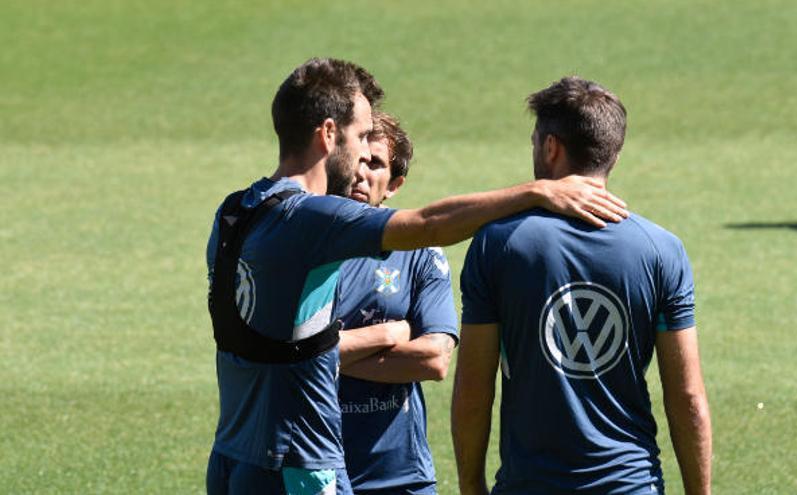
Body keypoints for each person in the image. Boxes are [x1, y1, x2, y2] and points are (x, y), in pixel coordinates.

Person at [205, 59, 629, 495]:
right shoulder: (310, 218)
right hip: (296, 464)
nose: (363, 154)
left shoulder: (235, 211)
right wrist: (538, 190)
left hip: (231, 460)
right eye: (362, 135)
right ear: (328, 134)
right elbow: (427, 225)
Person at [451, 77, 712, 495]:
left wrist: (470, 486)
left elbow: (474, 389)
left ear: (550, 147)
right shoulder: (663, 250)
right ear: (614, 153)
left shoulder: (498, 244)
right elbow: (688, 399)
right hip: (632, 485)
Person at [333, 111, 456, 494]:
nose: (360, 172)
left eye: (375, 164)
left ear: (394, 184)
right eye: (355, 158)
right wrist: (387, 334)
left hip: (400, 477)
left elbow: (434, 359)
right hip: (313, 467)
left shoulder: (418, 251)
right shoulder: (301, 244)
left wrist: (328, 358)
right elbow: (284, 355)